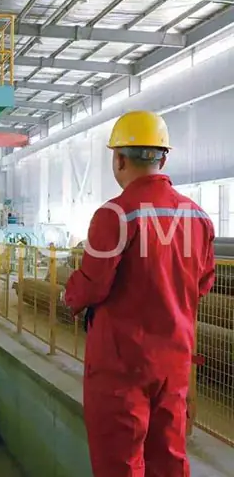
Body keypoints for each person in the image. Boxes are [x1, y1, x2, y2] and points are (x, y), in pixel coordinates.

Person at [63, 110, 216, 477]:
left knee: (120, 463)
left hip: (121, 365)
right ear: (164, 157)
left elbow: (92, 285)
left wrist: (70, 296)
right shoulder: (198, 218)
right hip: (174, 363)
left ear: (118, 158)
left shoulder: (115, 215)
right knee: (169, 459)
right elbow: (203, 283)